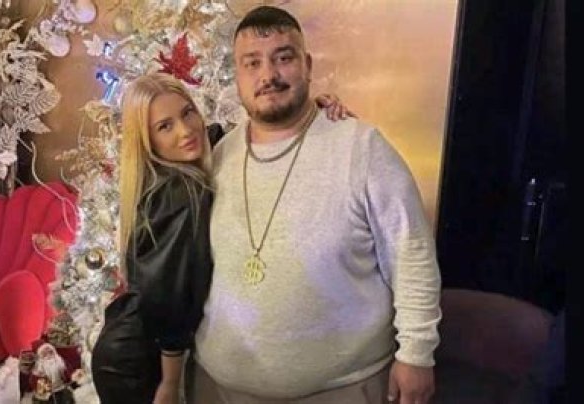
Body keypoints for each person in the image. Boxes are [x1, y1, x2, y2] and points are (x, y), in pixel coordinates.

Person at [189, 6, 442, 404]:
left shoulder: (361, 148)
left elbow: (412, 254)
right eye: (252, 63)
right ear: (237, 76)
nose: (268, 75)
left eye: (283, 58)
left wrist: (417, 354)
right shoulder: (218, 154)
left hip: (342, 389)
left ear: (306, 65)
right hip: (219, 387)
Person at [90, 72, 352, 404]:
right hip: (140, 361)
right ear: (148, 141)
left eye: (187, 113)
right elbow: (170, 298)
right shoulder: (179, 193)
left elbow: (233, 135)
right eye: (165, 126)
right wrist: (170, 382)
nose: (186, 130)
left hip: (134, 343)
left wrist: (304, 111)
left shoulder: (189, 161)